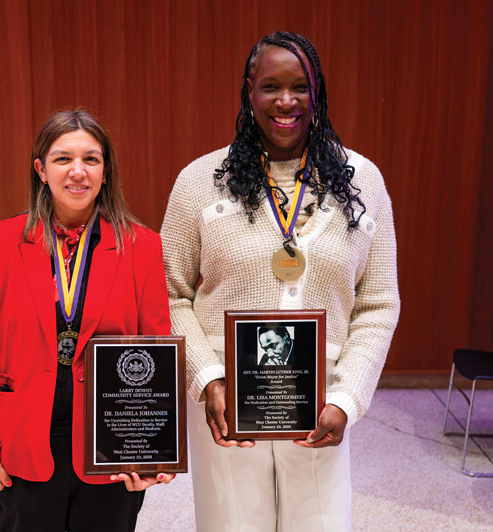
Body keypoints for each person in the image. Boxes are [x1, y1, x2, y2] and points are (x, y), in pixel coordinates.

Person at [161, 31, 400, 531]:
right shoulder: (202, 180)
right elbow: (170, 293)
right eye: (270, 86)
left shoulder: (363, 182)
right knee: (231, 523)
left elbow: (377, 304)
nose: (286, 101)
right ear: (249, 92)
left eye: (300, 86)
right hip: (226, 405)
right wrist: (206, 380)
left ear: (319, 93)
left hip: (320, 402)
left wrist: (347, 398)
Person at [0, 109, 174, 532]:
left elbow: (156, 350)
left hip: (111, 441)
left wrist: (153, 449)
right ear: (41, 169)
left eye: (91, 159)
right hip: (22, 443)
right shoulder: (0, 242)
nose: (78, 171)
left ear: (106, 171)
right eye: (62, 159)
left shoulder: (141, 246)